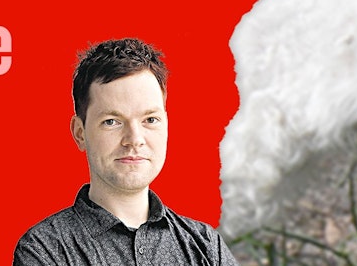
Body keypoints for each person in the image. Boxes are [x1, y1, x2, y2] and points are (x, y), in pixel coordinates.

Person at [14, 38, 234, 266]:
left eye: (150, 119)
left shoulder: (206, 245)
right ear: (80, 133)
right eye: (112, 121)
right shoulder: (45, 249)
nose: (134, 140)